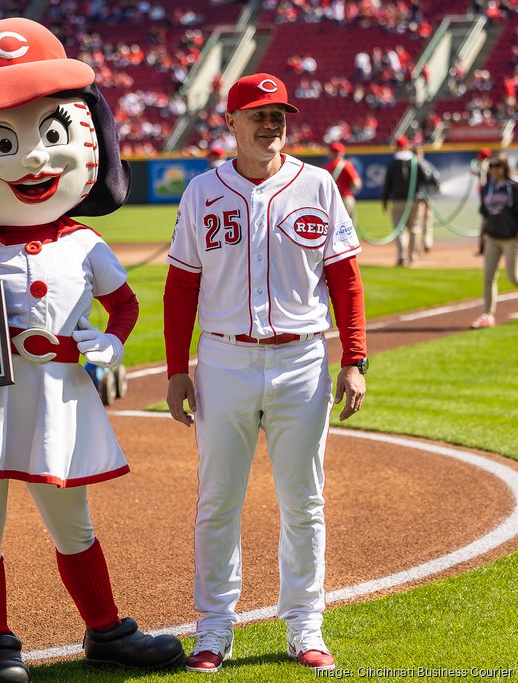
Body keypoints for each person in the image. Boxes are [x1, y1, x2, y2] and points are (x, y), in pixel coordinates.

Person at [0, 18, 186, 683]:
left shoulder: (84, 242)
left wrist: (110, 345)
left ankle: (106, 629)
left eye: (49, 134)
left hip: (61, 393)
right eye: (3, 141)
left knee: (74, 526)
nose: (33, 157)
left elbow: (125, 305)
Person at [164, 72, 367, 673]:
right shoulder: (202, 191)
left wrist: (354, 359)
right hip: (224, 359)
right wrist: (177, 370)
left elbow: (346, 281)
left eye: (278, 112)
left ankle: (305, 623)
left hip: (302, 358)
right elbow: (181, 287)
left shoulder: (320, 186)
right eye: (257, 112)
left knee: (303, 500)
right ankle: (214, 628)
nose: (270, 122)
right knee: (218, 500)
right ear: (230, 122)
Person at [471, 153, 518, 328]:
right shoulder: (487, 188)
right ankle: (487, 314)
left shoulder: (514, 186)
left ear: (505, 167)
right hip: (492, 237)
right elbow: (485, 212)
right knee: (488, 277)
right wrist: (483, 234)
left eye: (498, 166)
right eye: (492, 166)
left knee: (514, 277)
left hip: (511, 238)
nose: (494, 169)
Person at [381, 135, 439, 267]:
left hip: (398, 200)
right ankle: (412, 258)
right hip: (416, 200)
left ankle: (401, 256)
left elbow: (387, 184)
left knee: (400, 229)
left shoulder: (392, 163)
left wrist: (384, 201)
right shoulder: (415, 161)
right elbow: (428, 175)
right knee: (415, 228)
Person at [323, 141, 362, 221]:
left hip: (330, 200)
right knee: (348, 227)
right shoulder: (346, 165)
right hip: (345, 197)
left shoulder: (325, 166)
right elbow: (356, 184)